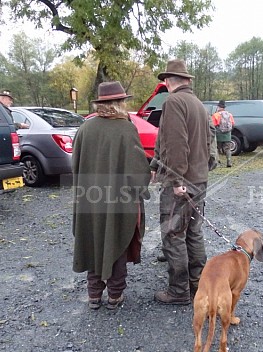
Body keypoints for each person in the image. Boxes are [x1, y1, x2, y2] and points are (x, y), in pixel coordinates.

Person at [72, 81, 151, 310]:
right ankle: (115, 296)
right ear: (119, 103)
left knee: (93, 240)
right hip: (120, 200)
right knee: (117, 240)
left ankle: (94, 295)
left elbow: (74, 165)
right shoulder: (126, 129)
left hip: (90, 197)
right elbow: (137, 170)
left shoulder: (85, 128)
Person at [152, 59, 210, 305]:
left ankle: (178, 291)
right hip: (199, 179)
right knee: (193, 232)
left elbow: (176, 145)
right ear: (186, 80)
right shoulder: (198, 104)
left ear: (167, 81)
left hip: (181, 182)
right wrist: (156, 165)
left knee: (174, 234)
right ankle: (198, 284)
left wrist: (175, 180)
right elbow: (204, 143)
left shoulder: (174, 102)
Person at [212, 100, 235, 167]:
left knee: (216, 148)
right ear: (224, 107)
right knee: (227, 149)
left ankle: (218, 163)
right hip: (227, 134)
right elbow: (233, 124)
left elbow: (213, 125)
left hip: (218, 134)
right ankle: (229, 161)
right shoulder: (229, 115)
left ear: (218, 107)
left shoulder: (215, 115)